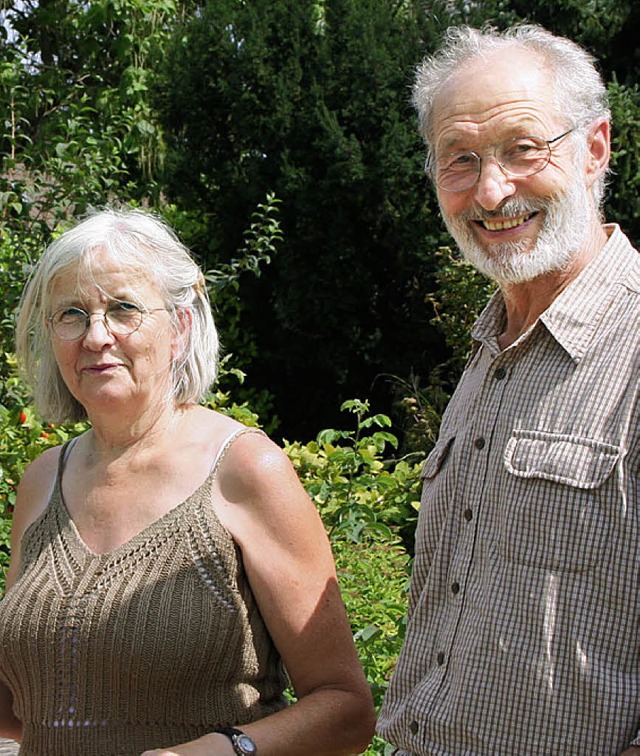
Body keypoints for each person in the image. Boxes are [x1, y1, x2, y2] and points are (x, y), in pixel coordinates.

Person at [0, 207, 375, 756]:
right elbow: (27, 709)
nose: (96, 335)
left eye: (123, 308)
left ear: (181, 326)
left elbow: (345, 708)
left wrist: (226, 750)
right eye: (72, 315)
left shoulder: (243, 471)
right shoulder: (42, 481)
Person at [377, 23, 640, 756]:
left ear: (594, 148)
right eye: (459, 160)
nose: (492, 192)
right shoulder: (491, 350)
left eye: (524, 148)